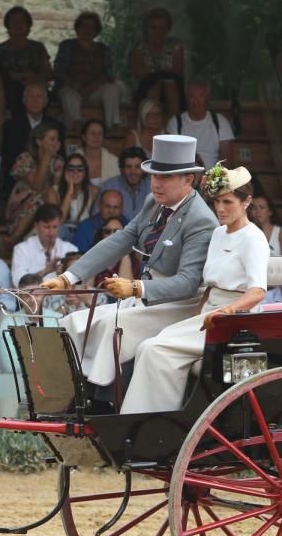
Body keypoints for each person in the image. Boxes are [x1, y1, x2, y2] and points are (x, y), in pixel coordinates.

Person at [43, 135, 218, 394]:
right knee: (74, 321)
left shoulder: (201, 220)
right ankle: (67, 396)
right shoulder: (153, 202)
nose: (156, 184)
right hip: (146, 295)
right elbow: (121, 240)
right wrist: (69, 277)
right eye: (154, 176)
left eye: (165, 177)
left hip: (181, 305)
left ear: (188, 180)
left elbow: (188, 282)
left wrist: (135, 288)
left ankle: (100, 402)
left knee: (109, 327)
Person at [121, 162, 268, 414]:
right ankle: (143, 420)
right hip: (208, 314)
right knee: (147, 345)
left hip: (234, 322)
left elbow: (257, 292)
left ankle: (160, 422)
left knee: (155, 349)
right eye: (216, 202)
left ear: (246, 202)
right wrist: (196, 316)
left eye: (228, 202)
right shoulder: (219, 234)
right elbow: (210, 287)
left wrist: (225, 313)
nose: (220, 209)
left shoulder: (253, 238)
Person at [54, 11, 118, 132]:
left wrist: (94, 85)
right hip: (71, 88)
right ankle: (76, 126)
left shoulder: (103, 50)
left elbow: (109, 74)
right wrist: (73, 84)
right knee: (68, 95)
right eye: (84, 26)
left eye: (91, 27)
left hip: (95, 91)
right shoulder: (67, 46)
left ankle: (111, 126)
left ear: (96, 31)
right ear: (77, 28)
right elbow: (58, 70)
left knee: (112, 89)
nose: (87, 30)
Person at [5, 121, 63, 241]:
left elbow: (55, 187)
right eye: (52, 139)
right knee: (38, 199)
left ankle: (46, 234)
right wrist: (47, 156)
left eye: (57, 139)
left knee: (50, 193)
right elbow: (37, 186)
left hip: (46, 206)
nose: (56, 143)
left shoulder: (58, 161)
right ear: (39, 141)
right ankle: (14, 237)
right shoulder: (25, 159)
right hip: (22, 207)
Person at [165, 80, 234, 168]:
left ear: (208, 98)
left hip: (213, 177)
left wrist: (212, 179)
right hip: (184, 176)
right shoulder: (176, 122)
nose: (196, 101)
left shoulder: (220, 122)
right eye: (192, 96)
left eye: (201, 96)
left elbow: (226, 160)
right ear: (186, 98)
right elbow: (171, 156)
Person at [130, 7, 185, 115]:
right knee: (155, 84)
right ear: (148, 28)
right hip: (146, 88)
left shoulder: (176, 46)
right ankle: (151, 121)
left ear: (168, 29)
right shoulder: (139, 47)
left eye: (161, 28)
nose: (157, 32)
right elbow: (138, 73)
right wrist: (159, 73)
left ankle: (173, 124)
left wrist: (154, 71)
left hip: (172, 86)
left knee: (170, 84)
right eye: (154, 28)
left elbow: (178, 71)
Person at [1, 82, 55, 183]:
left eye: (39, 96)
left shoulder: (55, 126)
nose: (35, 100)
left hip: (49, 179)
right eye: (31, 96)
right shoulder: (11, 126)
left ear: (45, 101)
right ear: (24, 100)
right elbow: (9, 157)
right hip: (20, 179)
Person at [49, 152, 101, 242]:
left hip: (83, 233)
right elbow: (56, 222)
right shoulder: (53, 191)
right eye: (71, 168)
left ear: (85, 172)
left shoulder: (93, 191)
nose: (75, 172)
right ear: (65, 171)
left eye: (80, 169)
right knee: (59, 230)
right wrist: (69, 192)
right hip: (62, 234)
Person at [100, 147, 150, 222]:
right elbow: (97, 218)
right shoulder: (109, 186)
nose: (133, 172)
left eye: (137, 167)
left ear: (143, 169)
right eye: (129, 167)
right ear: (122, 169)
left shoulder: (152, 187)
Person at [73, 119, 119, 187]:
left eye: (100, 134)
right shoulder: (72, 161)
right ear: (83, 137)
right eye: (92, 133)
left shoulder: (114, 161)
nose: (96, 137)